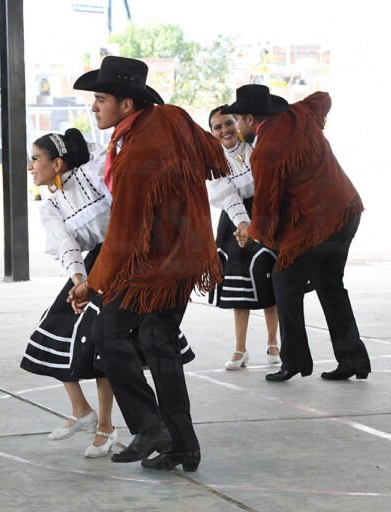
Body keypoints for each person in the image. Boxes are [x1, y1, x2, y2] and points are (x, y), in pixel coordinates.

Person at [68, 56, 229, 472]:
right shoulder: (167, 121)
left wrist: (93, 284)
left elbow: (124, 232)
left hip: (159, 264)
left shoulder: (141, 148)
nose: (93, 107)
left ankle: (149, 426)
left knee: (108, 331)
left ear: (126, 105)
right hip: (186, 256)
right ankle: (183, 447)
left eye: (100, 99)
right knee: (160, 346)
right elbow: (212, 156)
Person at [223, 84, 371, 382]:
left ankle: (294, 361)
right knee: (330, 285)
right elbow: (323, 98)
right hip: (347, 210)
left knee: (284, 278)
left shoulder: (264, 152)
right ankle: (353, 359)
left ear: (250, 118)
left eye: (237, 120)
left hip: (319, 225)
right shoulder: (301, 113)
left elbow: (264, 209)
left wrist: (251, 233)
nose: (237, 128)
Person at [19, 128, 119, 457]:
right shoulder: (50, 206)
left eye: (35, 159)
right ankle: (81, 410)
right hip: (91, 265)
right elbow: (66, 244)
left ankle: (105, 427)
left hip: (121, 258)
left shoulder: (92, 176)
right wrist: (79, 280)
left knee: (102, 345)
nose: (30, 167)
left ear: (58, 163)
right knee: (53, 329)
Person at [206, 106, 280, 370]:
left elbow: (266, 187)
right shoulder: (213, 160)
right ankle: (240, 349)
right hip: (233, 219)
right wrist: (242, 225)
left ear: (237, 123)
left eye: (228, 123)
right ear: (212, 132)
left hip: (263, 212)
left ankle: (273, 344)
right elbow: (227, 196)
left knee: (268, 279)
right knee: (239, 286)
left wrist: (256, 225)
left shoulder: (255, 149)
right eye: (218, 127)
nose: (224, 130)